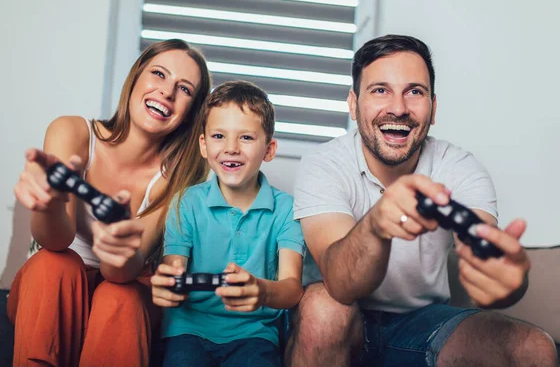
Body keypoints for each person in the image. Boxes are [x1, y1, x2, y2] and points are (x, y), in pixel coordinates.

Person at [285, 34, 558, 366]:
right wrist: (375, 226)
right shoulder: (324, 164)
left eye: (415, 92)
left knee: (536, 348)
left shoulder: (459, 167)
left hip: (425, 323)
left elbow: (483, 253)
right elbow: (341, 286)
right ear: (354, 105)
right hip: (344, 318)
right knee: (322, 309)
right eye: (380, 90)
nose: (398, 108)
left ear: (433, 109)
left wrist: (506, 281)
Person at [10, 39, 212, 367]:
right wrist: (52, 203)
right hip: (53, 285)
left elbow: (120, 273)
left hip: (121, 288)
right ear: (135, 78)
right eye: (158, 74)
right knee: (54, 263)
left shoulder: (178, 178)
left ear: (191, 112)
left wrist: (120, 245)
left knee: (120, 294)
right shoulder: (72, 131)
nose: (167, 92)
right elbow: (56, 241)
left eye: (184, 89)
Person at [151, 81, 306, 367]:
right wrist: (167, 284)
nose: (231, 148)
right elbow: (174, 270)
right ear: (203, 145)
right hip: (188, 330)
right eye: (219, 136)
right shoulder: (186, 202)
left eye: (246, 137)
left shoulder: (287, 209)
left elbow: (292, 287)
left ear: (269, 149)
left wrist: (263, 291)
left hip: (255, 335)